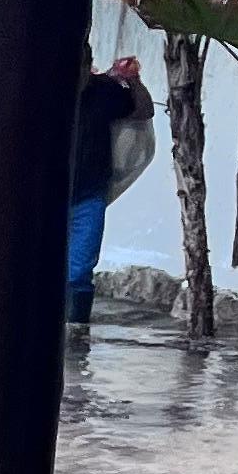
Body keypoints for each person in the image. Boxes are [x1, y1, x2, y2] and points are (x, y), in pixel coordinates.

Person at [67, 50, 157, 327]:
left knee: (80, 270)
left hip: (89, 194)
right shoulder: (46, 90)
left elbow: (144, 111)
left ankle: (77, 334)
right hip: (46, 194)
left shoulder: (104, 91)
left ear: (87, 65)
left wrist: (133, 81)